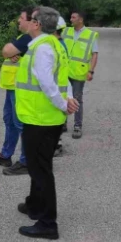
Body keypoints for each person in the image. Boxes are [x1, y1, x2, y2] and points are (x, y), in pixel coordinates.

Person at [15, 6, 78, 240]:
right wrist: (68, 100)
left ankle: (48, 223)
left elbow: (47, 83)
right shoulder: (54, 45)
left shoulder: (42, 48)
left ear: (37, 24)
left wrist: (64, 104)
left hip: (40, 118)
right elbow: (64, 79)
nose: (28, 22)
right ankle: (34, 205)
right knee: (37, 165)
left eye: (30, 20)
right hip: (46, 117)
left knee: (40, 169)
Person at [0, 7, 34, 176]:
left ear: (31, 21)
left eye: (21, 18)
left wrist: (10, 52)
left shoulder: (28, 38)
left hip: (21, 88)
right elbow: (7, 51)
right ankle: (6, 155)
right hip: (12, 86)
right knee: (10, 121)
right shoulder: (20, 38)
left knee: (20, 124)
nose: (18, 21)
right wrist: (10, 52)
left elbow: (6, 50)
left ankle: (26, 161)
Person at [63, 10, 99, 139]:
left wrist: (91, 71)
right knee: (63, 97)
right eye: (70, 17)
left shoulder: (90, 35)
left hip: (79, 73)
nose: (70, 19)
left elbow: (95, 54)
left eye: (73, 17)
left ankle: (77, 126)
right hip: (65, 71)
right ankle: (63, 123)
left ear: (80, 20)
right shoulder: (66, 31)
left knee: (77, 99)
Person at [53, 16, 68, 157]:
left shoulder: (56, 45)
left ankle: (56, 145)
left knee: (54, 117)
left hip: (56, 87)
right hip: (60, 87)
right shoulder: (62, 44)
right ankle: (56, 143)